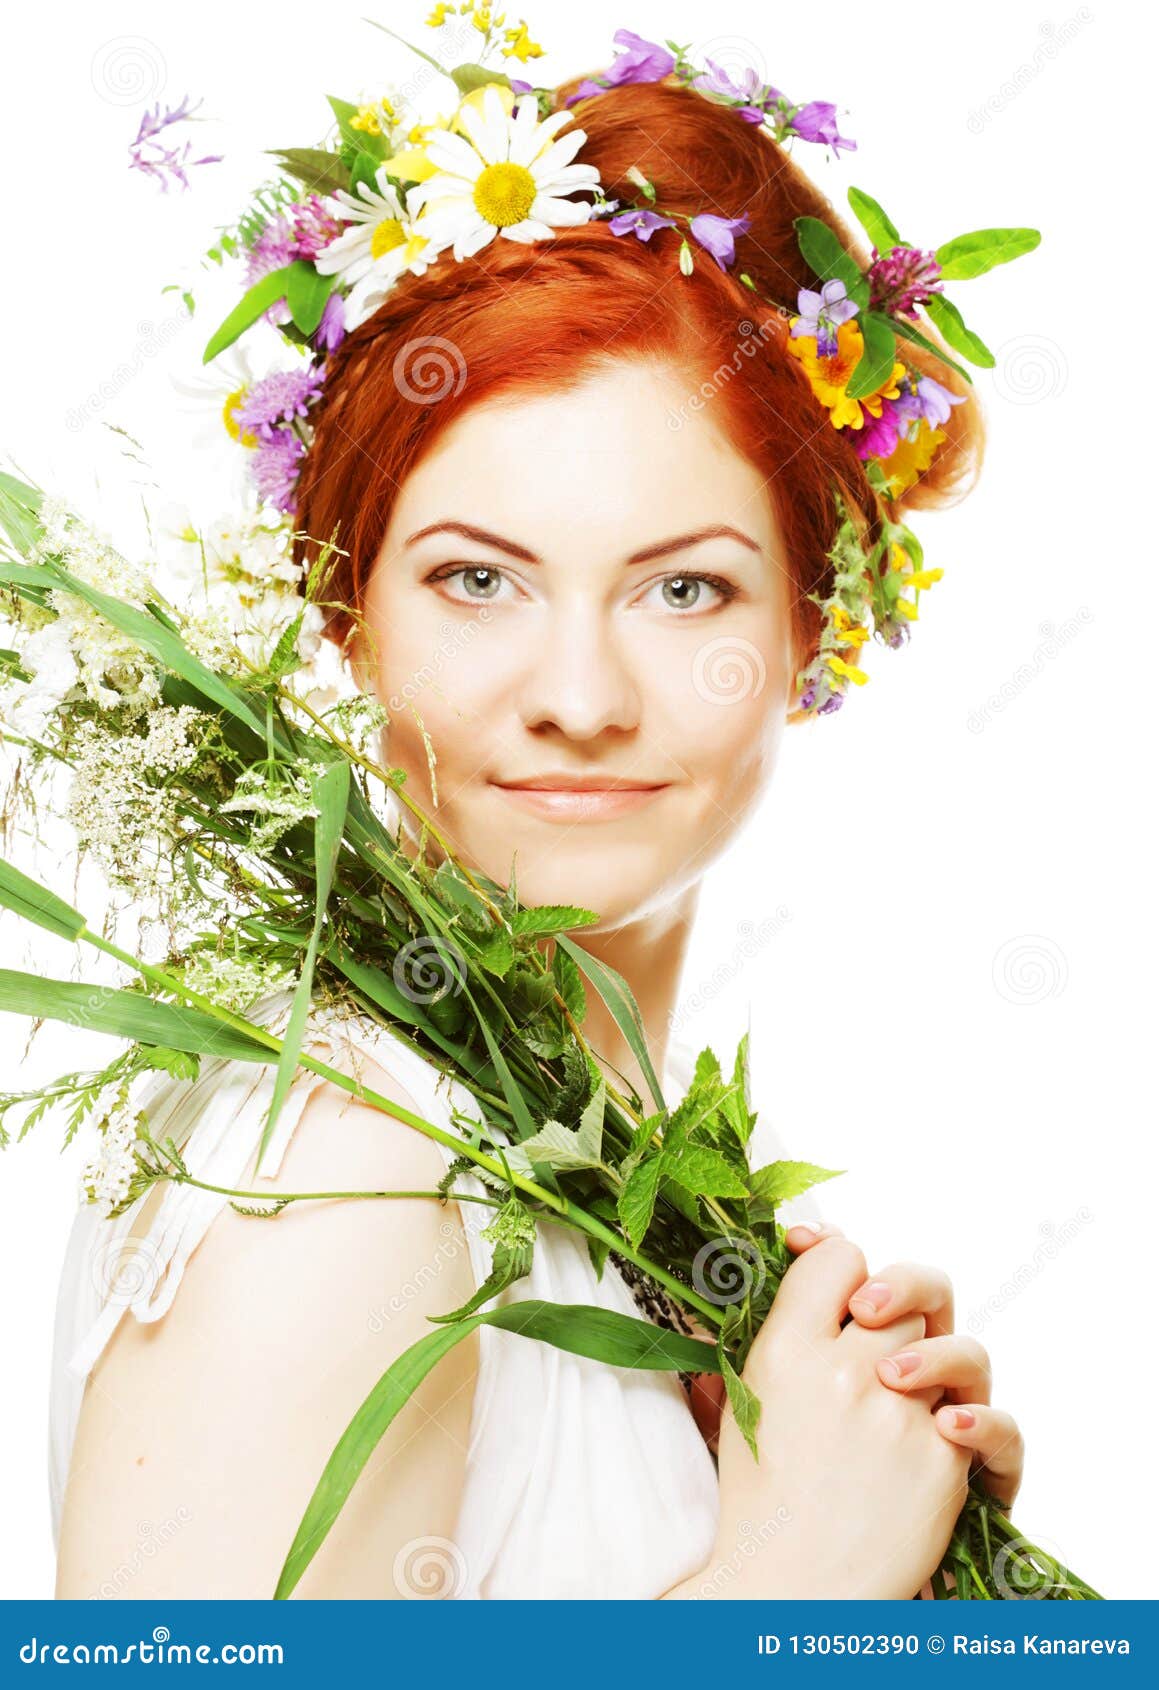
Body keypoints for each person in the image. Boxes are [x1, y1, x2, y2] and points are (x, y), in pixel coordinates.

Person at [49, 65, 1023, 1601]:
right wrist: (794, 1584)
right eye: (478, 580)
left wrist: (927, 1580)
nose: (580, 696)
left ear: (811, 627)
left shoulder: (603, 1170)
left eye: (683, 587)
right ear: (344, 604)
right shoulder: (343, 1187)